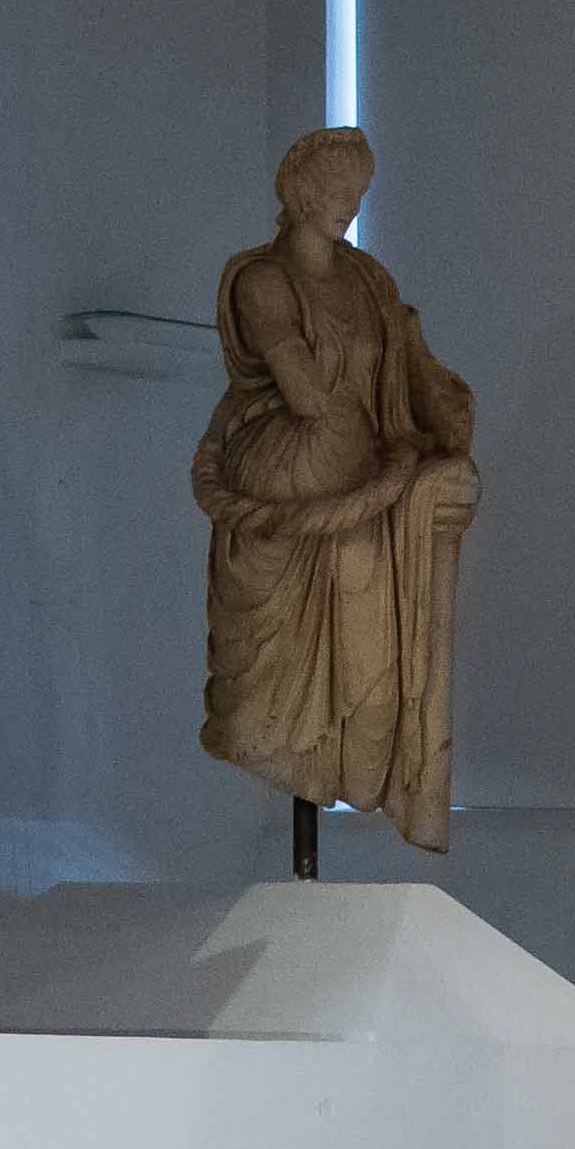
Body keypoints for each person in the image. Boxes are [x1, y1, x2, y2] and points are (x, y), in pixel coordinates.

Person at [195, 123, 479, 861]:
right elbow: (308, 395)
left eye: (357, 193)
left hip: (360, 487)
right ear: (300, 191)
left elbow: (399, 377)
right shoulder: (264, 283)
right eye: (335, 190)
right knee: (272, 703)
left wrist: (410, 368)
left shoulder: (368, 281)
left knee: (368, 661)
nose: (348, 205)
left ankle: (353, 759)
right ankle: (295, 748)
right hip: (292, 485)